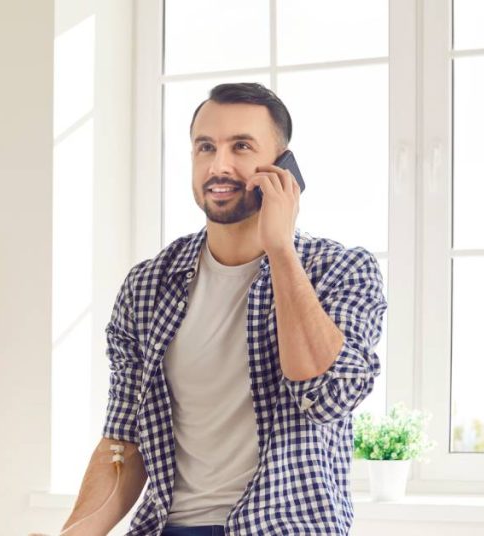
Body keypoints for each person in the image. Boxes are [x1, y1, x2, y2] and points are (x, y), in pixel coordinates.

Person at [61, 82, 388, 536]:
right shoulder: (147, 285)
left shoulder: (341, 270)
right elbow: (123, 444)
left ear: (282, 166)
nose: (219, 166)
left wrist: (281, 249)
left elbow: (326, 393)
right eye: (205, 147)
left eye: (241, 147)